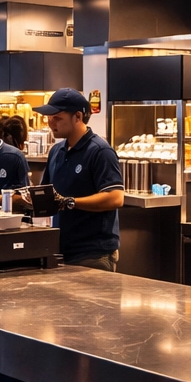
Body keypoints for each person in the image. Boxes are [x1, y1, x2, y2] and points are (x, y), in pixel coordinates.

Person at [34, 88, 124, 271]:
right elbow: (47, 193)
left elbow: (115, 197)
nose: (51, 123)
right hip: (61, 249)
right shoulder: (56, 151)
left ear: (78, 116)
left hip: (92, 253)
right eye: (49, 118)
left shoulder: (100, 151)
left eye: (57, 118)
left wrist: (70, 202)